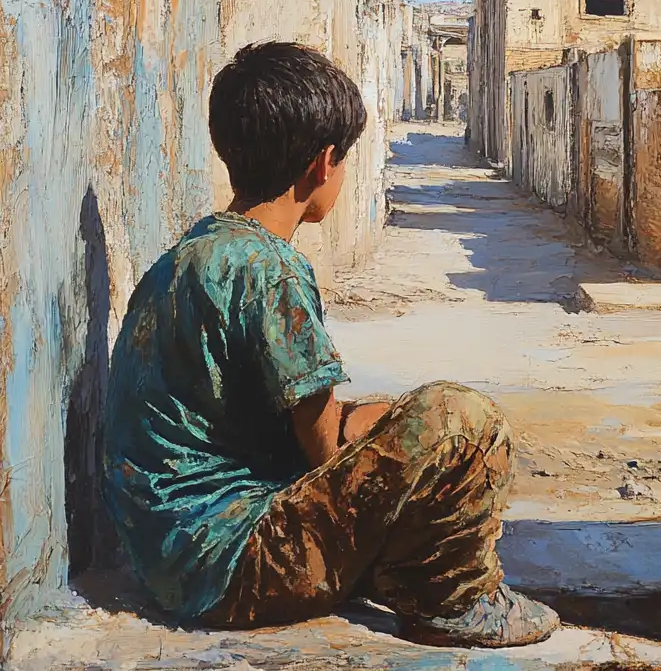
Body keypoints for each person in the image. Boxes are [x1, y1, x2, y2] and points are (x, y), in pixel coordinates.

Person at [102, 42, 556, 646]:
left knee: (402, 422)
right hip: (230, 564)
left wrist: (385, 425)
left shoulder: (192, 255)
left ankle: (404, 571)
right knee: (462, 421)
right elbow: (321, 450)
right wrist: (411, 437)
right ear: (322, 164)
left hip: (169, 558)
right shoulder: (272, 271)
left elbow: (282, 414)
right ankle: (453, 601)